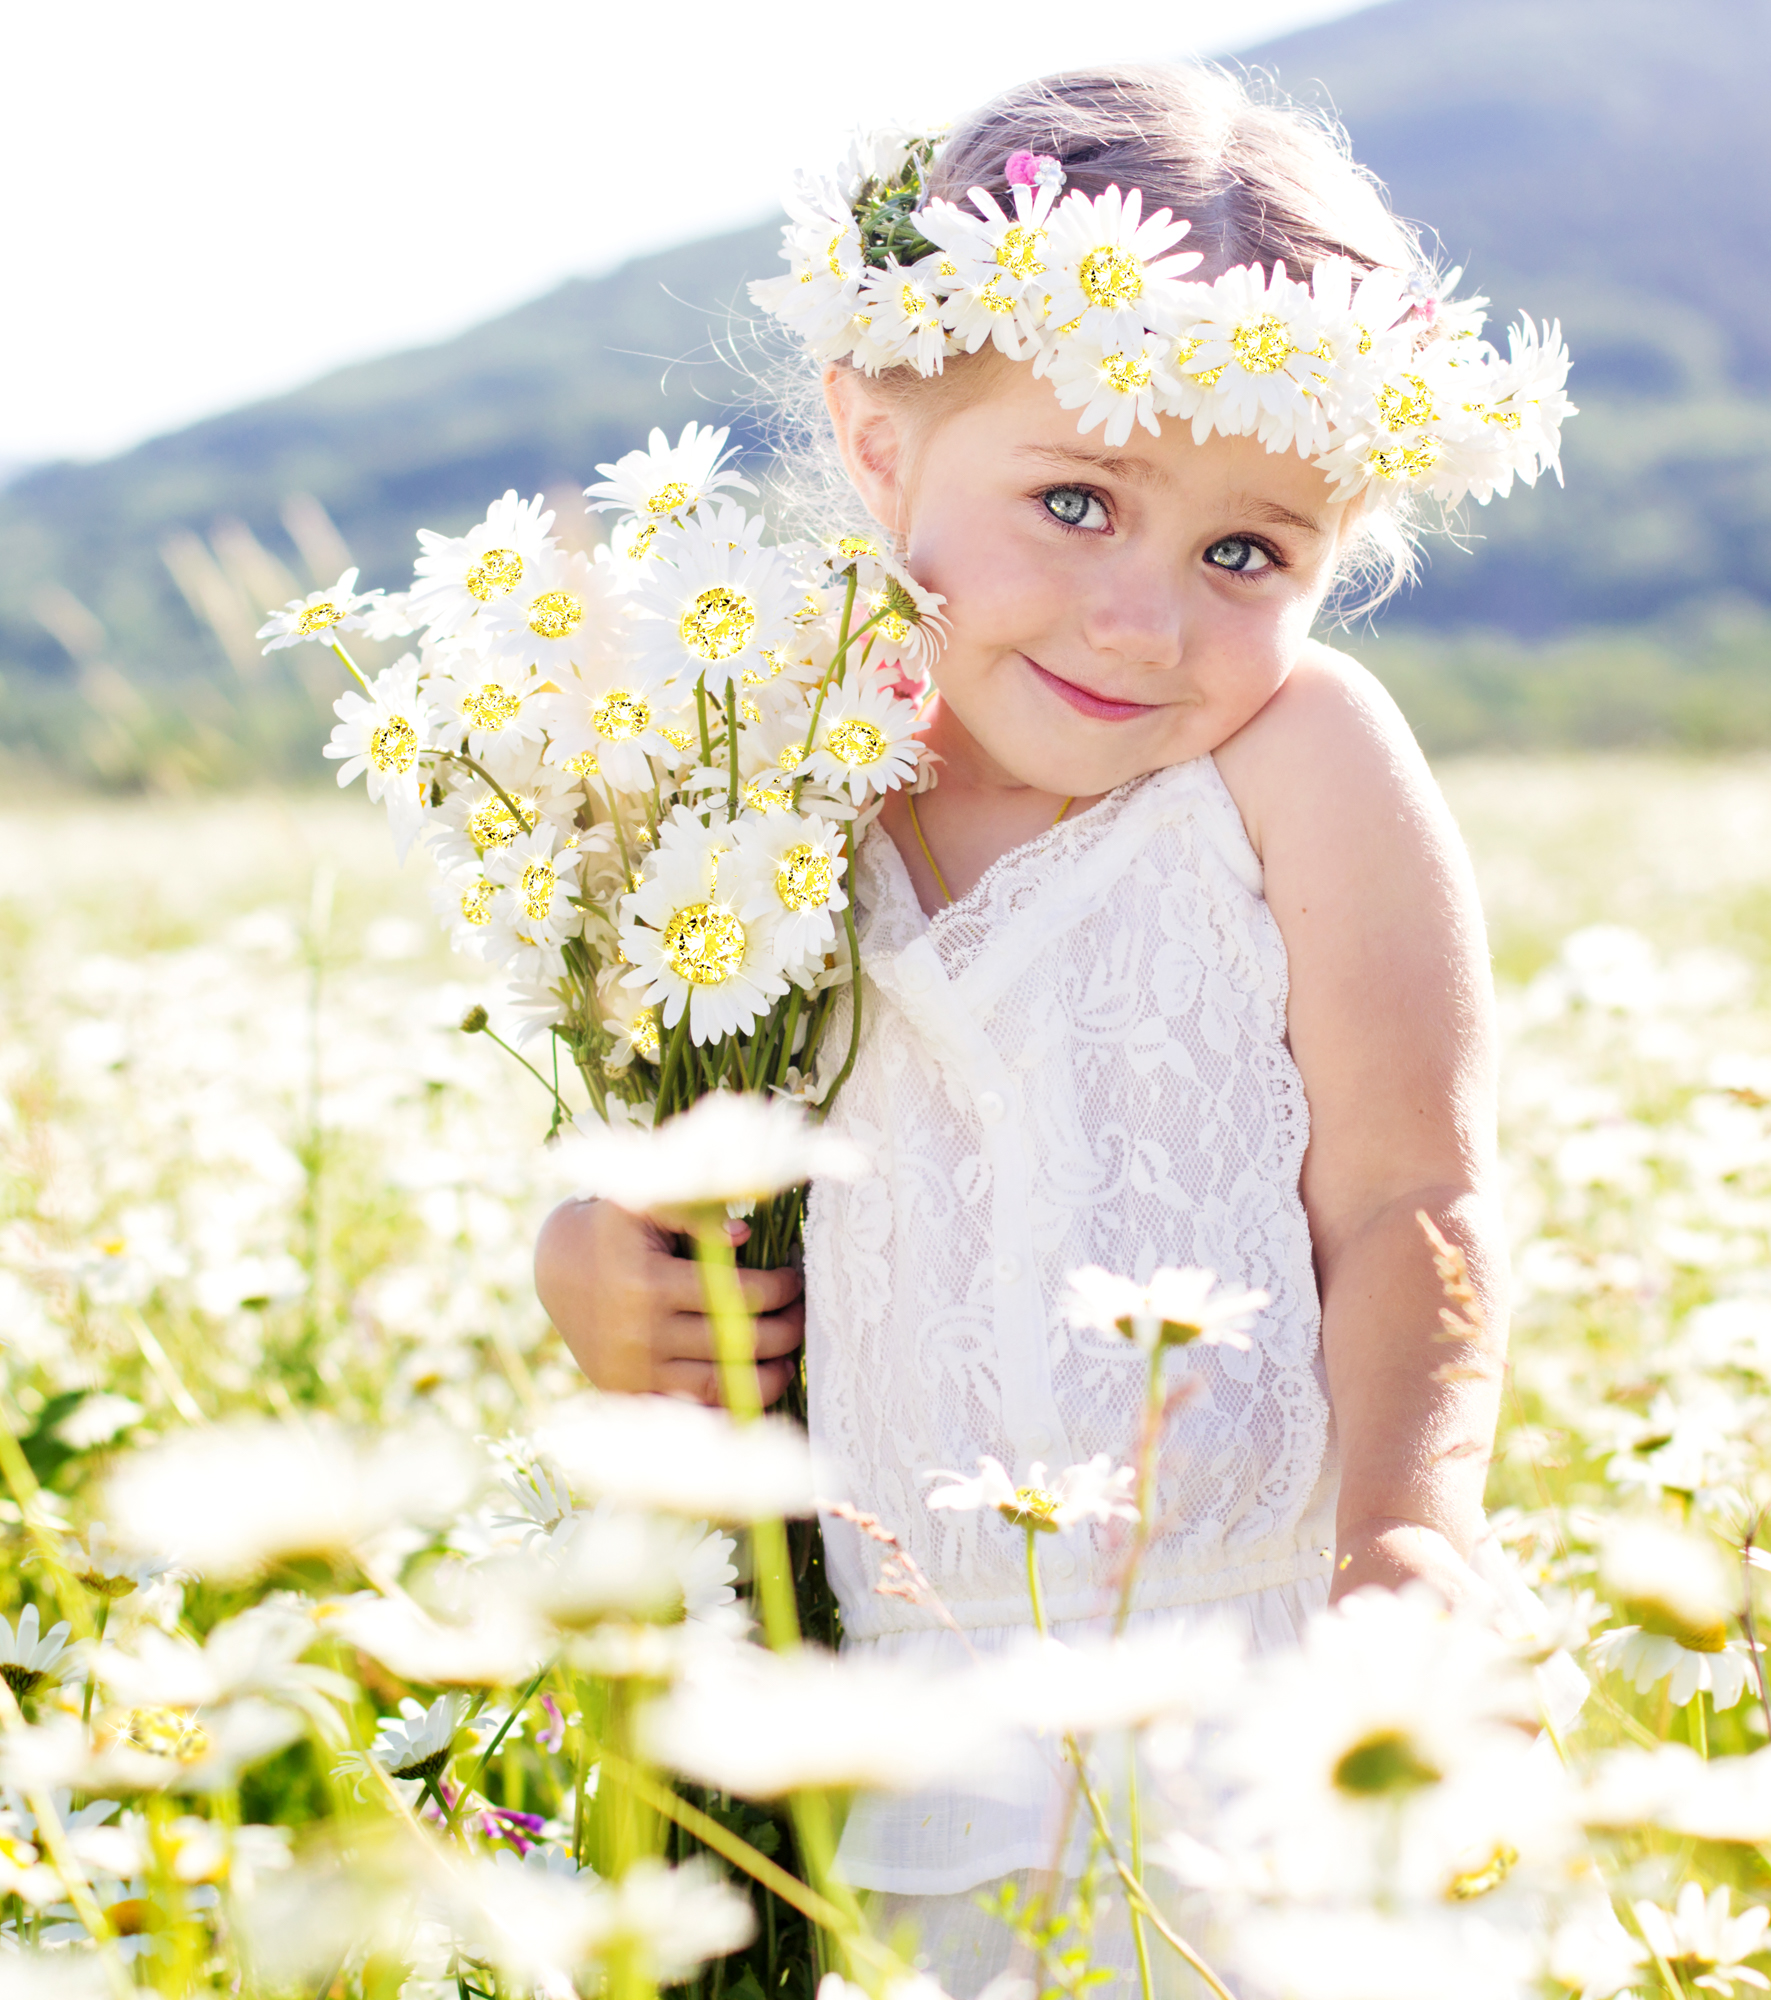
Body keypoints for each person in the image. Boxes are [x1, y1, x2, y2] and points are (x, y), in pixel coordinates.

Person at [535, 61, 1573, 1988]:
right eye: (1076, 500)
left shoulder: (1299, 759)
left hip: (1243, 1684)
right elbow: (659, 1144)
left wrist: (1406, 1539)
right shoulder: (749, 776)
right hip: (871, 1719)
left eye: (1246, 554)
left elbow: (1413, 1190)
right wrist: (591, 1268)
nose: (1144, 622)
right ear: (875, 444)